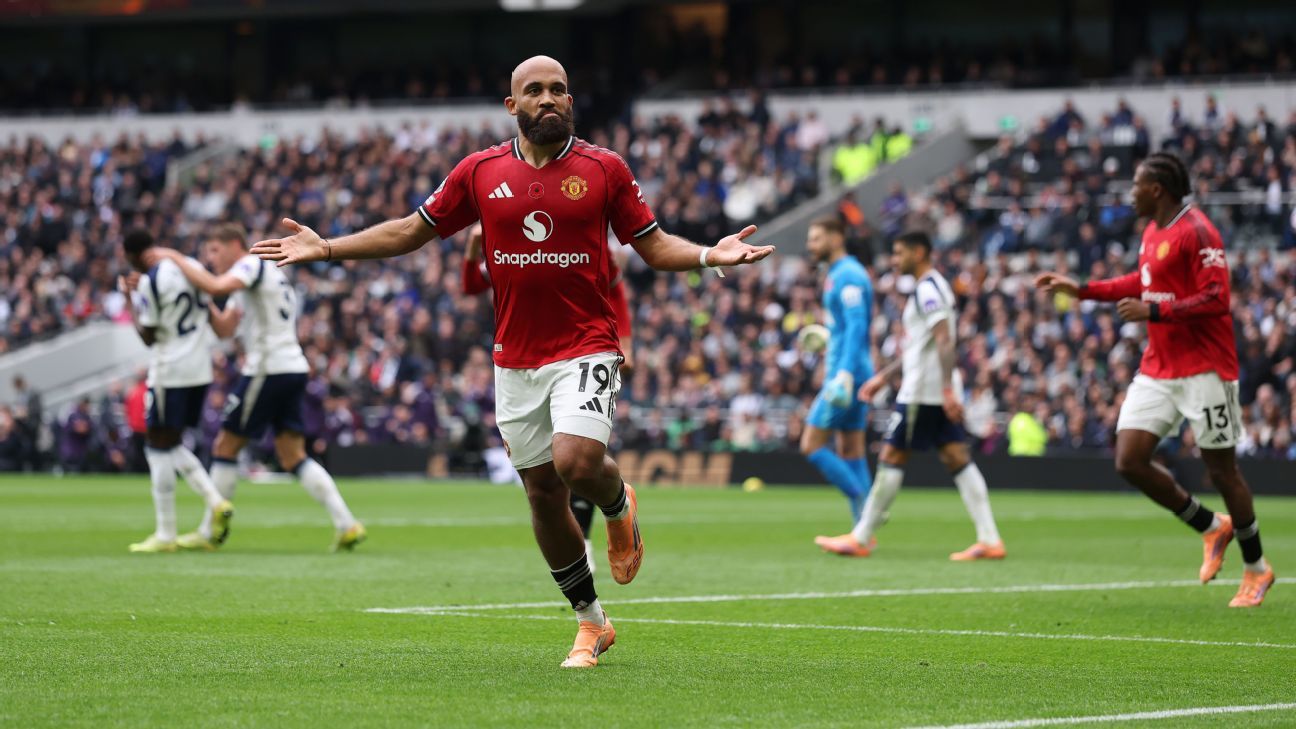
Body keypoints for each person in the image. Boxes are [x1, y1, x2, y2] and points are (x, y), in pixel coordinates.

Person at [251, 56, 775, 667]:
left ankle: (616, 503)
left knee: (575, 461)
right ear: (512, 106)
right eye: (534, 91)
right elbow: (410, 232)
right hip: (515, 358)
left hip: (586, 343)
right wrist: (328, 247)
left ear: (570, 101)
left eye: (558, 90)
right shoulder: (479, 172)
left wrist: (711, 254)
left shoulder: (604, 169)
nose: (547, 99)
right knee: (543, 495)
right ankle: (591, 623)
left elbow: (653, 246)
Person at [1035, 152, 1274, 608]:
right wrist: (1081, 290)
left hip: (1205, 369)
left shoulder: (1198, 232)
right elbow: (1139, 281)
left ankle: (1257, 568)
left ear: (1157, 190)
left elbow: (1217, 298)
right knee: (1129, 459)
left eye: (1136, 186)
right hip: (1159, 369)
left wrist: (1155, 311)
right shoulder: (1152, 232)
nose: (1131, 193)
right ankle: (1211, 526)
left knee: (1222, 472)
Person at [145, 223, 365, 552]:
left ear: (235, 244)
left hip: (267, 369)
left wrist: (177, 260)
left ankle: (209, 532)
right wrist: (202, 300)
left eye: (215, 250)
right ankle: (347, 524)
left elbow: (216, 285)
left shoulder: (250, 263)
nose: (211, 259)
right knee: (292, 455)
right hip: (292, 368)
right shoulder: (259, 276)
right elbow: (224, 329)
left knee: (225, 445)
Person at [815, 231, 1005, 561]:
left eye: (899, 252)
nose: (894, 259)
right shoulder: (932, 286)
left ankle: (861, 536)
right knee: (957, 458)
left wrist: (946, 389)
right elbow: (922, 345)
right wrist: (884, 377)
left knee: (891, 456)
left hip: (923, 393)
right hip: (931, 389)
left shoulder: (928, 289)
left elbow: (944, 340)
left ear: (919, 253)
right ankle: (990, 539)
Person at [462, 223, 631, 571]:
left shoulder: (583, 236)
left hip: (582, 351)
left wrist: (625, 340)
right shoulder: (511, 242)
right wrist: (472, 247)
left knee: (576, 455)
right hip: (526, 360)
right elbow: (472, 285)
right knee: (553, 468)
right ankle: (596, 525)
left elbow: (615, 287)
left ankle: (587, 536)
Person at [119, 229, 234, 554]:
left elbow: (148, 337)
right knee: (170, 442)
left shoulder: (152, 281)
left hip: (170, 370)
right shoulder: (190, 266)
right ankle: (214, 502)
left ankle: (167, 532)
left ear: (133, 255)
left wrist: (130, 300)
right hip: (200, 370)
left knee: (157, 445)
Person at [800, 216, 874, 524]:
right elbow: (846, 328)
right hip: (856, 371)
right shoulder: (838, 273)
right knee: (851, 449)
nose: (810, 245)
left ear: (836, 238)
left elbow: (858, 325)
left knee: (811, 445)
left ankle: (866, 503)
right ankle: (863, 531)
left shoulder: (847, 275)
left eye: (816, 238)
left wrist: (843, 373)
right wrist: (829, 340)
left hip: (847, 375)